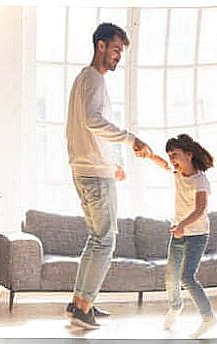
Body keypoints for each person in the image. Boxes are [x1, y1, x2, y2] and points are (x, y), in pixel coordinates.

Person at [65, 22, 154, 329]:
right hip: (93, 174)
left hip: (87, 169)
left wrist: (111, 163)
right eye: (116, 49)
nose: (118, 56)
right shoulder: (93, 79)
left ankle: (79, 302)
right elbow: (92, 121)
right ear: (100, 45)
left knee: (95, 240)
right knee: (105, 241)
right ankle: (84, 307)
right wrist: (131, 139)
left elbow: (86, 130)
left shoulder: (84, 79)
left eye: (121, 52)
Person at [155, 134, 216, 338]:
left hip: (196, 235)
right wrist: (147, 155)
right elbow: (162, 163)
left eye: (176, 155)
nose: (173, 159)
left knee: (187, 277)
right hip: (179, 233)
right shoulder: (177, 173)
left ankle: (208, 317)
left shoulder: (201, 181)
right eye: (171, 155)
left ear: (189, 155)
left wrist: (182, 225)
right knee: (171, 277)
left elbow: (200, 210)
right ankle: (175, 306)